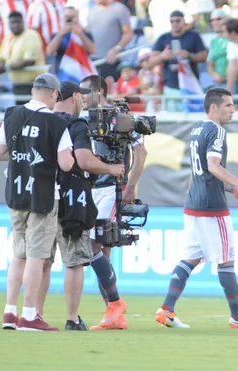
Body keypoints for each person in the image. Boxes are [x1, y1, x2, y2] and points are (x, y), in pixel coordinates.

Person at [155, 87, 238, 329]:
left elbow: (205, 172)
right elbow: (213, 165)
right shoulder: (216, 130)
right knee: (226, 260)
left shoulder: (197, 128)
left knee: (191, 258)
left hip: (194, 203)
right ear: (213, 108)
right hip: (211, 207)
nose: (233, 109)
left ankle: (166, 309)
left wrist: (230, 189)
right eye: (228, 105)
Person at [0, 73, 74, 331]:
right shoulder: (56, 123)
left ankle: (9, 311)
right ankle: (29, 314)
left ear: (32, 90)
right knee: (37, 256)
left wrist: (23, 159)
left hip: (15, 192)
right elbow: (66, 163)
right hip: (42, 194)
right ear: (53, 93)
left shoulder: (11, 114)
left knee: (18, 254)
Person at [42, 81, 125, 330]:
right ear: (76, 97)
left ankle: (28, 314)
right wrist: (111, 168)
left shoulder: (37, 119)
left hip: (40, 196)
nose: (87, 99)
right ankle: (103, 307)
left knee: (39, 260)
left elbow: (138, 152)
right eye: (84, 93)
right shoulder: (77, 124)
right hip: (75, 195)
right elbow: (83, 161)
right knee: (80, 256)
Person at [80, 74, 147, 331]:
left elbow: (141, 152)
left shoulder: (120, 119)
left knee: (96, 245)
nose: (82, 97)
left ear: (99, 92)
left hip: (109, 189)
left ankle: (114, 307)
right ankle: (112, 312)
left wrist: (131, 185)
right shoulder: (84, 119)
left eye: (86, 92)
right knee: (101, 250)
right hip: (89, 190)